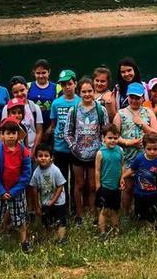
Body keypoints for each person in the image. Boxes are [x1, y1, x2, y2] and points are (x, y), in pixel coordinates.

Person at [65, 77, 107, 222]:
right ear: (79, 92)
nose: (87, 94)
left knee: (92, 185)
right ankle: (79, 214)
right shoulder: (74, 110)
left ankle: (93, 213)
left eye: (90, 91)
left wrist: (101, 149)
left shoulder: (101, 110)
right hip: (77, 154)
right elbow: (67, 132)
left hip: (95, 154)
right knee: (79, 184)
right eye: (84, 92)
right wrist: (73, 147)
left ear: (94, 92)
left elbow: (106, 131)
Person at [112, 82, 157, 213]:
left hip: (146, 157)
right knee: (128, 186)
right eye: (131, 97)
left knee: (146, 185)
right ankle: (125, 213)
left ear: (143, 98)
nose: (134, 100)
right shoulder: (121, 114)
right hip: (128, 157)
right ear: (127, 97)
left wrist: (142, 124)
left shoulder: (148, 113)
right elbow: (115, 136)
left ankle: (143, 213)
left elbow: (156, 134)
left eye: (137, 97)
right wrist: (129, 143)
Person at [0, 119, 32, 252]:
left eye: (14, 133)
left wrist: (15, 191)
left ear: (18, 134)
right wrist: (1, 191)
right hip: (0, 191)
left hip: (16, 191)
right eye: (8, 133)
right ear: (2, 134)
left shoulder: (23, 151)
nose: (11, 136)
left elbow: (26, 174)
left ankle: (24, 242)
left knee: (20, 218)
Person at [50, 69, 80, 215]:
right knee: (61, 180)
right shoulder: (56, 103)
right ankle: (63, 208)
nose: (67, 87)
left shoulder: (80, 101)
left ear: (75, 83)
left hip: (75, 148)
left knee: (75, 181)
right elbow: (54, 124)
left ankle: (76, 209)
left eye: (69, 84)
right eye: (63, 85)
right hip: (60, 147)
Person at [122, 133, 157, 226]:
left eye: (155, 149)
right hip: (139, 193)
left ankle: (151, 227)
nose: (152, 152)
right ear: (144, 148)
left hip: (153, 193)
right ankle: (139, 226)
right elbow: (132, 169)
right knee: (139, 213)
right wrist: (122, 177)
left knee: (152, 213)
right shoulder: (139, 158)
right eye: (149, 149)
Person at [30, 144, 68, 245]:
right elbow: (34, 189)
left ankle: (61, 239)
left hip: (58, 201)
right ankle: (49, 238)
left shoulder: (55, 170)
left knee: (60, 220)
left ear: (51, 158)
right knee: (47, 220)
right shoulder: (36, 173)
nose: (43, 158)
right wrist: (37, 206)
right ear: (36, 157)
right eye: (40, 156)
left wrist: (53, 201)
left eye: (46, 156)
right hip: (45, 202)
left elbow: (60, 186)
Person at [94, 124, 123, 239]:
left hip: (116, 186)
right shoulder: (100, 153)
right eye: (110, 138)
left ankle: (115, 229)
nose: (113, 141)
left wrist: (122, 179)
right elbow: (97, 170)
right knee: (104, 210)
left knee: (115, 209)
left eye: (115, 138)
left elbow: (122, 166)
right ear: (103, 138)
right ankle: (102, 232)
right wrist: (97, 185)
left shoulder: (120, 150)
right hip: (105, 186)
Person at [1, 76, 44, 151]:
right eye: (15, 92)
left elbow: (39, 132)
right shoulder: (6, 108)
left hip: (31, 149)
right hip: (12, 149)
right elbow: (3, 131)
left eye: (22, 90)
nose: (20, 94)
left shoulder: (35, 108)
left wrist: (33, 152)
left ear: (27, 88)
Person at [28, 59, 58, 140]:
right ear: (34, 72)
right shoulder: (28, 87)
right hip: (31, 130)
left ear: (49, 72)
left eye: (44, 72)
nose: (41, 76)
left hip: (50, 131)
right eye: (38, 73)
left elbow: (58, 112)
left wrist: (50, 129)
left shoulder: (57, 88)